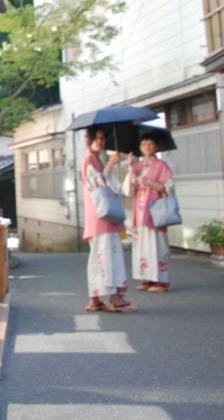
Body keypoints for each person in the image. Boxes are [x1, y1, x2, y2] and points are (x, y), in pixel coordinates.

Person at [81, 126, 136, 313]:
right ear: (88, 139)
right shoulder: (90, 159)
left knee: (99, 257)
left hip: (100, 216)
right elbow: (99, 185)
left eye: (103, 138)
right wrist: (111, 164)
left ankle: (95, 298)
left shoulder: (95, 159)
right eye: (97, 138)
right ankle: (114, 296)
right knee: (108, 257)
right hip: (102, 216)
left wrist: (111, 164)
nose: (100, 141)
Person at [123, 132, 175, 293]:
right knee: (142, 245)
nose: (147, 146)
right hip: (139, 211)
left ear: (157, 146)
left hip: (154, 211)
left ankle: (161, 280)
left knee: (156, 244)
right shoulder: (137, 167)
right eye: (144, 143)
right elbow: (127, 190)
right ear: (140, 147)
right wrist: (130, 167)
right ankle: (147, 277)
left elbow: (169, 187)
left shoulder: (161, 166)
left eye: (151, 143)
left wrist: (149, 182)